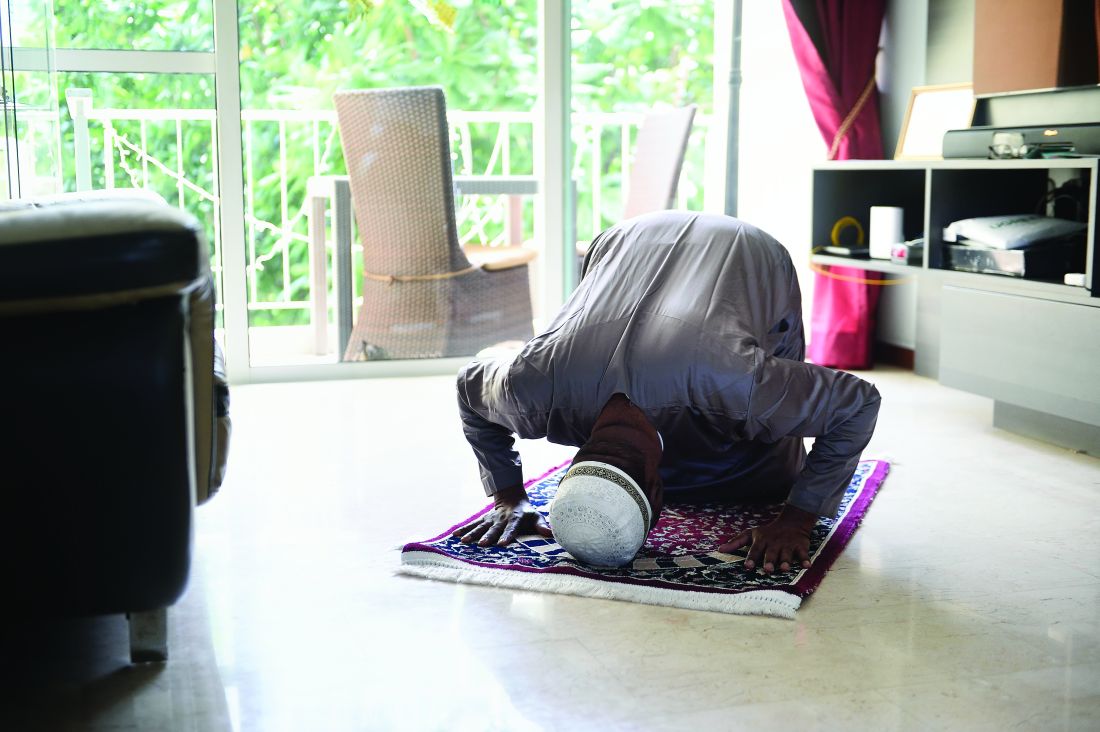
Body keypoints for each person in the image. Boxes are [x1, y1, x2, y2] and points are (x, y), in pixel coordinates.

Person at [452, 211, 881, 573]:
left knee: (774, 472)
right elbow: (469, 383)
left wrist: (798, 517)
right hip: (621, 241)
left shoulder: (734, 384)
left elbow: (855, 403)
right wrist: (508, 495)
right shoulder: (529, 389)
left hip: (748, 253)